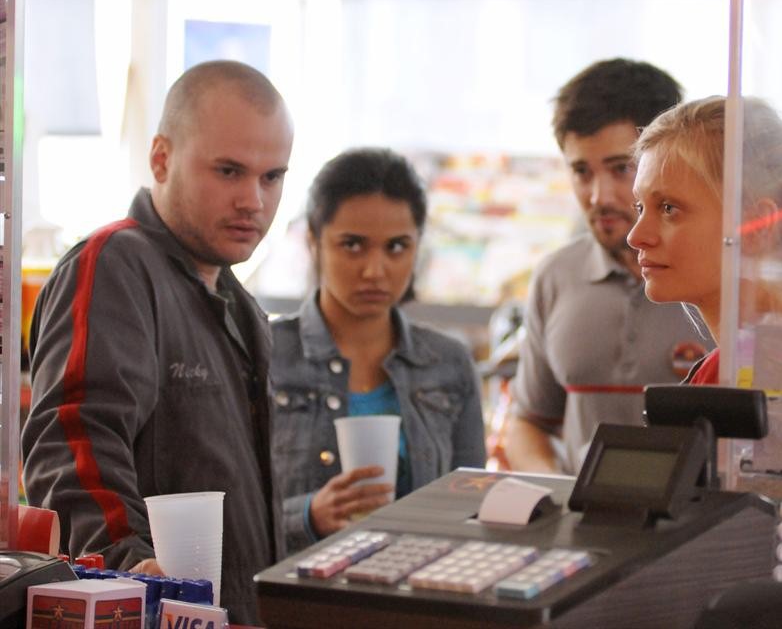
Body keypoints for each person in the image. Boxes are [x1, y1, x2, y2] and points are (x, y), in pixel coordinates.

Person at [21, 60, 294, 623]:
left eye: (272, 177)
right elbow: (71, 440)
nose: (254, 200)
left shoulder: (240, 307)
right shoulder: (116, 264)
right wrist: (129, 568)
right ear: (161, 158)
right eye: (228, 171)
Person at [627, 95, 782, 544]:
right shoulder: (781, 355)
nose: (637, 235)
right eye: (641, 207)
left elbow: (744, 557)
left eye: (669, 209)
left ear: (758, 226)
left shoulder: (761, 374)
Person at [270, 148, 486, 553]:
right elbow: (224, 508)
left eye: (397, 247)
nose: (375, 269)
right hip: (294, 598)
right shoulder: (266, 357)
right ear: (315, 241)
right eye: (353, 245)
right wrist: (306, 516)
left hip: (417, 596)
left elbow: (470, 503)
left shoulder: (448, 363)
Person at [505, 58, 714, 474]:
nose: (599, 195)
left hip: (694, 531)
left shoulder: (713, 279)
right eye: (581, 171)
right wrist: (558, 493)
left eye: (622, 168)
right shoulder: (555, 277)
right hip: (581, 529)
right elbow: (529, 422)